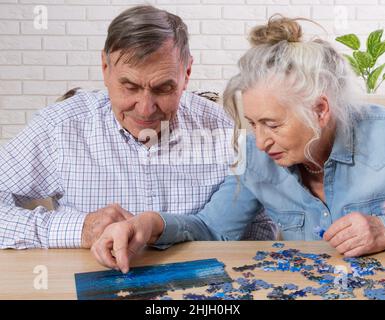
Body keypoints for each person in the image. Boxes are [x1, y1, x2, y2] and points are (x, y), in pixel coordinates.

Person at [92, 15, 385, 274]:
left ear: (320, 110)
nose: (260, 142)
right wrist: (150, 224)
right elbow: (213, 229)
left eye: (272, 124)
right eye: (253, 124)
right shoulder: (256, 158)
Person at [0, 5, 276, 250]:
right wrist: (79, 229)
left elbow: (261, 229)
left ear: (187, 74)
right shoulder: (59, 128)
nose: (145, 108)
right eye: (129, 86)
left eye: (163, 88)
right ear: (105, 68)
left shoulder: (224, 129)